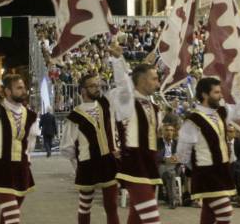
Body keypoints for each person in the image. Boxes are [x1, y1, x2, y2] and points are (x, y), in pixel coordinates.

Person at [177, 76, 240, 223]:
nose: (220, 95)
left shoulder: (221, 112)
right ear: (204, 94)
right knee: (225, 212)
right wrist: (198, 168)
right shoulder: (192, 120)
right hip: (206, 174)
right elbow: (182, 153)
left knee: (209, 214)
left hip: (221, 171)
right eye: (216, 93)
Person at [108, 43, 163, 224]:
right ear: (141, 81)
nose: (158, 82)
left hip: (149, 165)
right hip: (134, 165)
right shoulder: (127, 103)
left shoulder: (155, 107)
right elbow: (123, 85)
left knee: (137, 218)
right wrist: (117, 60)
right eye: (154, 79)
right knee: (151, 218)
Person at [0, 66, 39, 224]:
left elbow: (30, 146)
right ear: (7, 91)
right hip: (2, 169)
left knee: (7, 217)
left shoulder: (31, 116)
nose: (24, 90)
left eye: (24, 87)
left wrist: (27, 160)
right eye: (19, 88)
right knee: (12, 216)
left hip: (22, 170)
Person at [59, 72, 120, 224]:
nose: (98, 88)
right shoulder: (74, 116)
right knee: (85, 206)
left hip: (108, 162)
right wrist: (78, 165)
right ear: (83, 90)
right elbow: (67, 148)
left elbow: (123, 86)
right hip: (87, 165)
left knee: (112, 206)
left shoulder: (106, 104)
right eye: (93, 86)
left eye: (99, 85)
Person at [157, 123, 180, 209]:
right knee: (170, 173)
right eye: (167, 130)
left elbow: (182, 156)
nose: (169, 132)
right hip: (162, 166)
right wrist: (165, 159)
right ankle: (173, 200)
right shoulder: (158, 142)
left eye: (171, 130)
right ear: (162, 131)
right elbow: (155, 156)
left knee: (172, 172)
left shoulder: (176, 143)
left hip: (175, 166)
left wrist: (177, 158)